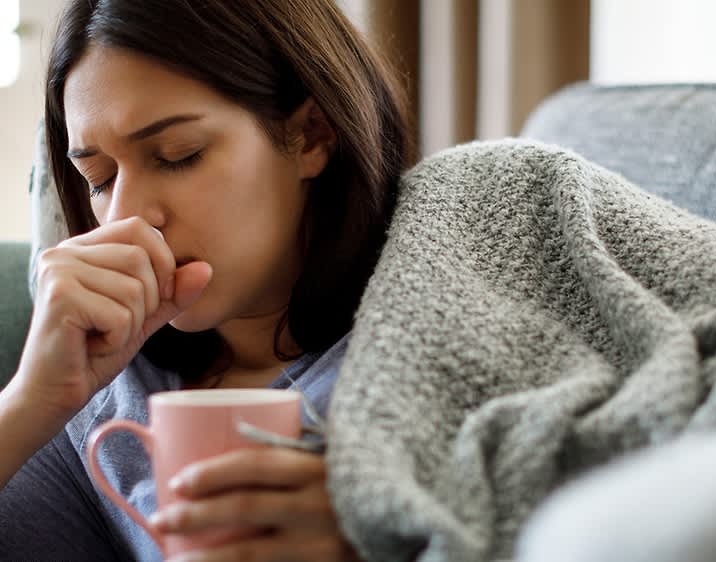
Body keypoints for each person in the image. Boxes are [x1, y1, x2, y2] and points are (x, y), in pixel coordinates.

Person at [0, 0, 412, 560]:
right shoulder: (103, 401)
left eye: (178, 156)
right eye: (99, 179)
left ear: (312, 135)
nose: (126, 217)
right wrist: (30, 401)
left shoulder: (421, 365)